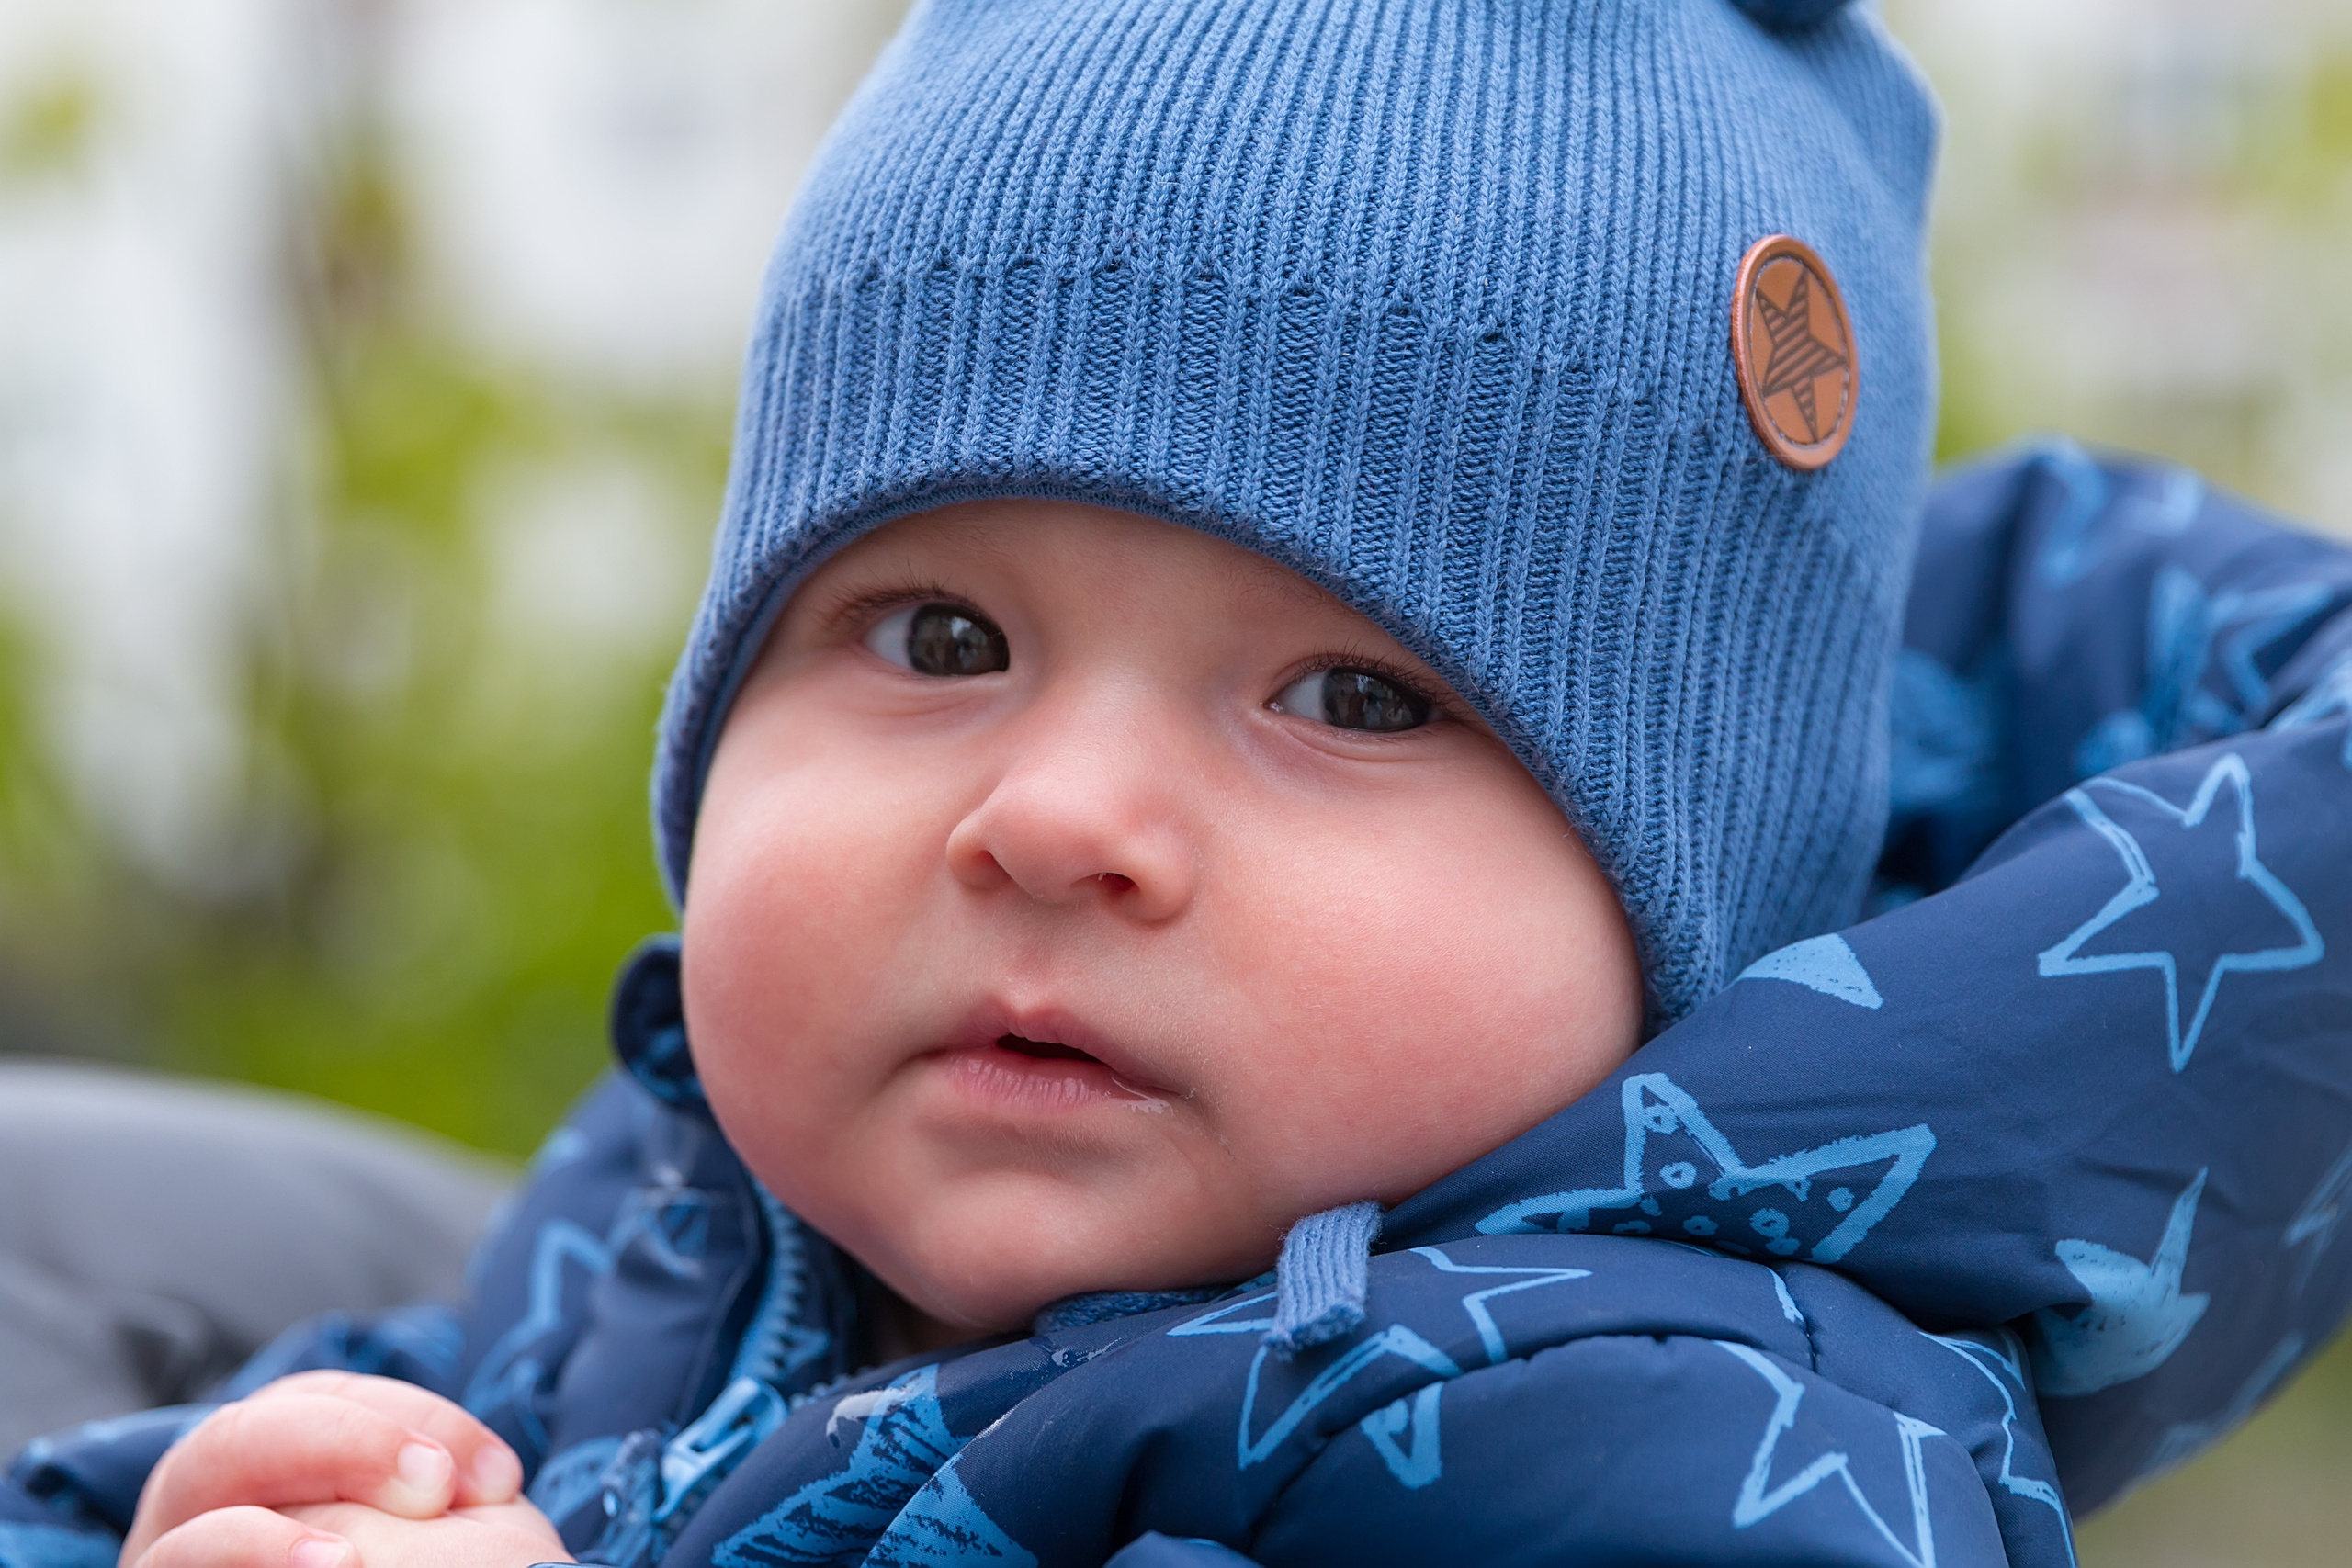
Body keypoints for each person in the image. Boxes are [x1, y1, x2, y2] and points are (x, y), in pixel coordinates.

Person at [8, 0, 2352, 1564]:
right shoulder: (656, 1238)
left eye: (1349, 698)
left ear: (1685, 927)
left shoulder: (1674, 1442)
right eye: (938, 636)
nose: (1054, 815)